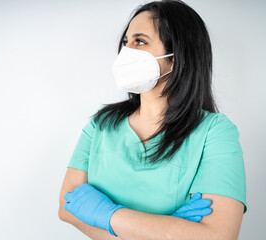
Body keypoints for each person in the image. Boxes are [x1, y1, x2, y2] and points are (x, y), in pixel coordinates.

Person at [58, 0, 247, 239]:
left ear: (180, 57)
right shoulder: (100, 125)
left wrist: (106, 215)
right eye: (126, 43)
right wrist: (170, 230)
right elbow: (67, 208)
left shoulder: (215, 132)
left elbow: (219, 235)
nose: (127, 52)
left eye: (140, 41)